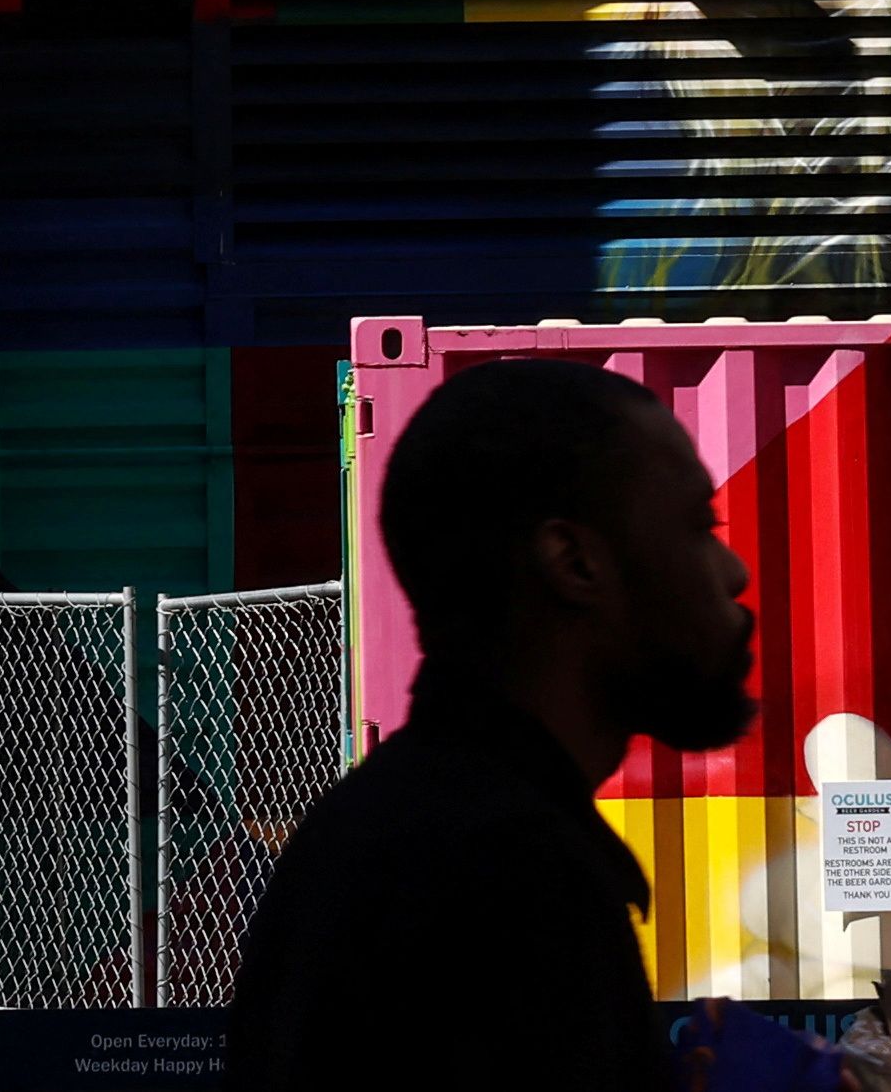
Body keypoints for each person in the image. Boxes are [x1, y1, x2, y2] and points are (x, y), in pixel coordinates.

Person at [224, 358, 762, 1092]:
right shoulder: (508, 880)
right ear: (573, 563)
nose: (733, 572)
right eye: (700, 525)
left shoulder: (386, 836)